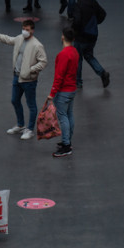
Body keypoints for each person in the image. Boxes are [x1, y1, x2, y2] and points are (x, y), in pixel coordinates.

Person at [0, 20, 48, 140]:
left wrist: (30, 70)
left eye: (27, 30)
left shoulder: (37, 45)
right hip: (17, 76)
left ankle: (30, 130)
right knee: (14, 100)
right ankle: (21, 125)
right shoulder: (19, 38)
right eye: (23, 29)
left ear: (32, 30)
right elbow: (7, 39)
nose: (25, 31)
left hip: (29, 80)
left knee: (31, 105)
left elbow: (43, 62)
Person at [46, 27, 80, 158]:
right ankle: (68, 141)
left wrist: (52, 93)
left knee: (62, 117)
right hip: (72, 89)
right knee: (69, 114)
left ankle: (66, 145)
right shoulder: (74, 52)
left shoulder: (63, 54)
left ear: (62, 37)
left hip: (63, 91)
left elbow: (59, 76)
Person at [72, 0, 110, 89]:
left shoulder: (78, 4)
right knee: (89, 55)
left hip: (81, 36)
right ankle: (102, 72)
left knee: (78, 58)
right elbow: (103, 14)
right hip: (92, 35)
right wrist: (94, 23)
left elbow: (77, 21)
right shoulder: (93, 2)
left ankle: (78, 82)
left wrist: (74, 31)